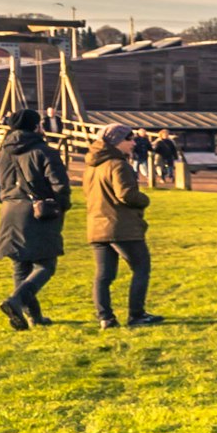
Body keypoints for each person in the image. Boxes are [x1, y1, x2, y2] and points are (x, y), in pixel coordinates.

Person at [0, 105, 69, 328]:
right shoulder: (45, 152)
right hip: (38, 212)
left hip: (9, 213)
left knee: (21, 266)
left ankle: (33, 318)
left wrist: (8, 201)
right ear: (35, 126)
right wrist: (60, 207)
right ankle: (16, 301)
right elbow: (60, 185)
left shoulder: (0, 155)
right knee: (45, 265)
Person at [84, 125, 157, 327]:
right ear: (117, 141)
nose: (133, 143)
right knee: (141, 268)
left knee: (103, 275)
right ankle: (137, 314)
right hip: (121, 226)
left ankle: (105, 318)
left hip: (96, 226)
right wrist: (144, 200)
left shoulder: (91, 166)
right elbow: (125, 194)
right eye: (129, 139)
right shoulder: (118, 164)